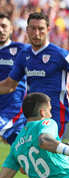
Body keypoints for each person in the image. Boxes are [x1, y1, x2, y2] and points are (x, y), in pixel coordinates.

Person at [0, 12, 69, 139]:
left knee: (43, 143)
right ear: (27, 29)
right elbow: (10, 85)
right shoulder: (23, 55)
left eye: (41, 28)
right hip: (33, 117)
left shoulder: (60, 54)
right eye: (33, 28)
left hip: (54, 115)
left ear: (48, 30)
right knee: (25, 154)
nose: (36, 33)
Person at [0, 12, 27, 145]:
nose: (1, 29)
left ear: (11, 29)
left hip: (14, 108)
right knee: (23, 158)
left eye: (4, 26)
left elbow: (47, 58)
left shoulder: (21, 49)